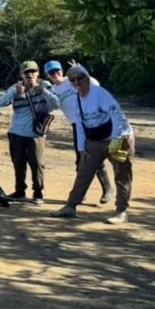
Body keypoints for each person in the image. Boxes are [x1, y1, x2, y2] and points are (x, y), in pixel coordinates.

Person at [51, 65, 135, 224]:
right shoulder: (77, 98)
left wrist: (117, 139)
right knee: (84, 171)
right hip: (96, 138)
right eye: (73, 80)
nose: (77, 82)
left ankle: (121, 211)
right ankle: (70, 207)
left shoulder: (99, 94)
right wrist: (82, 148)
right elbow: (79, 123)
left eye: (80, 78)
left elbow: (117, 115)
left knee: (122, 174)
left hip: (119, 136)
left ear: (87, 78)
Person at [44, 60, 115, 204]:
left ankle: (108, 189)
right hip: (78, 126)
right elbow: (50, 108)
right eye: (52, 72)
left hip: (95, 122)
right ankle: (81, 194)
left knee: (104, 154)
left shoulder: (72, 81)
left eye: (57, 70)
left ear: (62, 71)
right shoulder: (52, 90)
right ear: (47, 75)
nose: (56, 74)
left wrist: (81, 71)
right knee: (82, 159)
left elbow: (93, 84)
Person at [0, 61, 60, 204]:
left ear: (38, 73)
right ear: (21, 75)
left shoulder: (45, 86)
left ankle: (38, 192)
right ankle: (20, 191)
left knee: (37, 164)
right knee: (18, 163)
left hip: (36, 134)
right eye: (26, 72)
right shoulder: (15, 88)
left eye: (33, 72)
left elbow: (56, 104)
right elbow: (0, 103)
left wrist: (43, 92)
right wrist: (14, 92)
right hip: (17, 132)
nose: (30, 75)